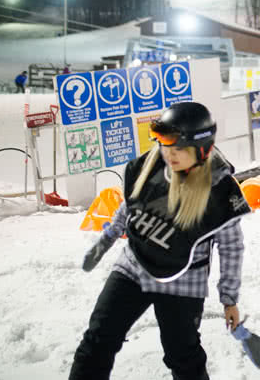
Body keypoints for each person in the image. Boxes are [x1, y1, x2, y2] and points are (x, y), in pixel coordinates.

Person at [69, 102, 250, 380]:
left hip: (183, 280)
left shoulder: (219, 192)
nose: (170, 155)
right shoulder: (149, 164)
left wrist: (229, 299)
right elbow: (129, 208)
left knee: (182, 355)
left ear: (202, 150)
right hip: (134, 266)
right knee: (98, 339)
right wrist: (105, 241)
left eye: (179, 150)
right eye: (166, 147)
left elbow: (231, 248)